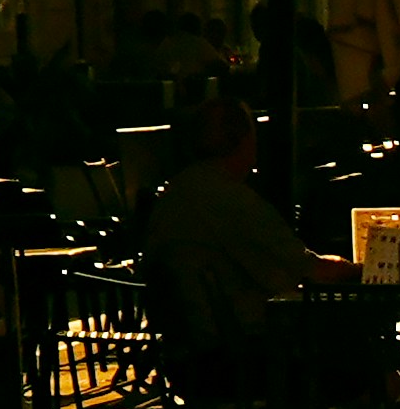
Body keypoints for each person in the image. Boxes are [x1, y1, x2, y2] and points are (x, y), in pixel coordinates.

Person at [130, 80, 341, 387]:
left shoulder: (177, 195)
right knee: (357, 361)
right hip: (239, 360)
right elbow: (308, 269)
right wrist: (362, 268)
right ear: (245, 142)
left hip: (188, 358)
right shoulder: (230, 200)